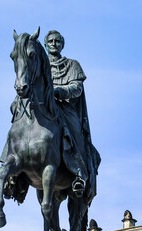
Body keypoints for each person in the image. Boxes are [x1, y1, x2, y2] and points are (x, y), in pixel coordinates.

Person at [44, 30, 100, 202]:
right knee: (18, 120)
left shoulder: (72, 65)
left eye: (57, 41)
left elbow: (77, 88)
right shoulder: (38, 63)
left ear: (62, 44)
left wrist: (60, 90)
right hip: (43, 107)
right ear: (45, 45)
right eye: (51, 41)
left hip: (65, 106)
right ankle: (9, 174)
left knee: (75, 130)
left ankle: (79, 173)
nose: (54, 43)